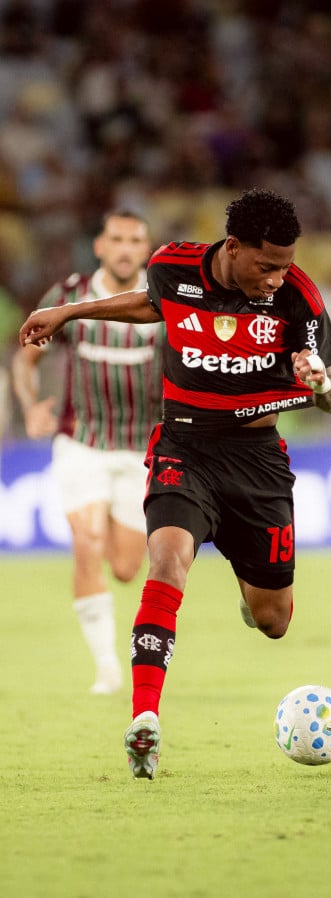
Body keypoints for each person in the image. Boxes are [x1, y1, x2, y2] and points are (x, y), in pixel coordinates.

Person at [19, 188, 331, 780]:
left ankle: (250, 587)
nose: (276, 278)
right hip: (184, 448)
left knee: (274, 621)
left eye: (284, 266)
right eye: (266, 265)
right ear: (233, 247)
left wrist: (317, 380)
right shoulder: (173, 265)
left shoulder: (298, 298)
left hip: (257, 461)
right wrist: (69, 312)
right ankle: (144, 718)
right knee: (166, 564)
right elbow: (153, 304)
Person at [12, 210, 164, 695]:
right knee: (87, 542)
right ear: (99, 246)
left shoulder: (163, 300)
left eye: (134, 240)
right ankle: (107, 668)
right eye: (116, 239)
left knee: (125, 567)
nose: (124, 248)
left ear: (146, 250)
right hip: (81, 441)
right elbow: (25, 356)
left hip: (140, 448)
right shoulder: (68, 296)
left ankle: (109, 650)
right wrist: (30, 405)